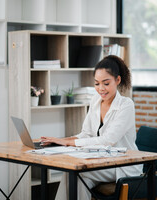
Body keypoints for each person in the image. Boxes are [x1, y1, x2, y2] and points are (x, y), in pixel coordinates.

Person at [41, 55, 143, 200]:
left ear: (117, 80)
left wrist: (70, 142)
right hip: (101, 161)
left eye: (106, 83)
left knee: (78, 173)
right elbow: (87, 133)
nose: (101, 89)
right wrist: (62, 140)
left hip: (123, 165)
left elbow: (108, 140)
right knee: (72, 175)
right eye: (97, 83)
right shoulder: (95, 100)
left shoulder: (126, 105)